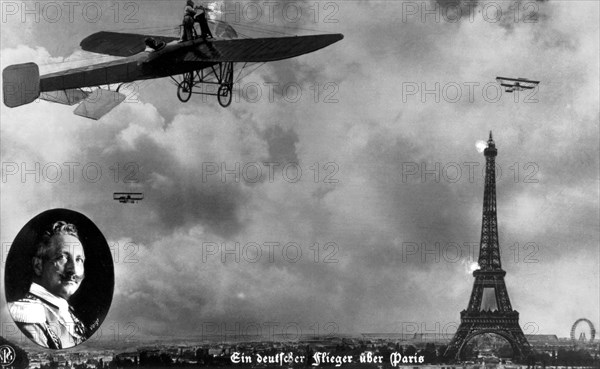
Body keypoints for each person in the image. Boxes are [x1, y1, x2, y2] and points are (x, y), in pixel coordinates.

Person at [8, 221, 89, 349]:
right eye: (63, 257)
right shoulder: (29, 315)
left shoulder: (66, 312)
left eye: (79, 260)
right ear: (38, 265)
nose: (73, 270)